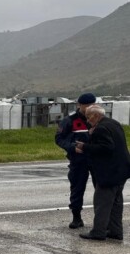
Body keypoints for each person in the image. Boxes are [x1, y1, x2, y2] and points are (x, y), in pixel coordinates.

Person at [75, 105, 130, 241]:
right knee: (116, 202)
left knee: (102, 202)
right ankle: (115, 231)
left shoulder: (101, 128)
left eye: (89, 117)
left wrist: (85, 146)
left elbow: (107, 147)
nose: (87, 120)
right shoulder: (113, 123)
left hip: (109, 172)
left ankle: (98, 232)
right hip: (121, 170)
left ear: (96, 116)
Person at [55, 93, 96, 228]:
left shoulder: (98, 119)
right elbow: (59, 138)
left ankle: (102, 218)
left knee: (102, 188)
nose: (90, 108)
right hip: (78, 159)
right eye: (87, 106)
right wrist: (72, 147)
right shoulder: (70, 120)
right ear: (80, 105)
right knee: (77, 188)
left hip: (96, 159)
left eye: (92, 105)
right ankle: (76, 217)